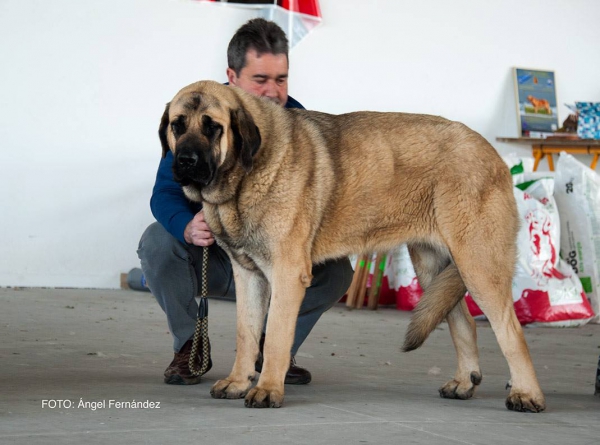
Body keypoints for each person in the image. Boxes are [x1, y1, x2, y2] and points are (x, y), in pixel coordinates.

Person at [138, 18, 353, 386]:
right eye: (260, 80)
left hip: (276, 257)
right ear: (232, 77)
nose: (272, 92)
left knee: (336, 270)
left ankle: (275, 351)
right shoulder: (198, 114)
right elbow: (164, 193)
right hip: (214, 257)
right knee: (157, 241)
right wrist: (187, 226)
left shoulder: (297, 122)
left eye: (281, 79)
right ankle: (190, 346)